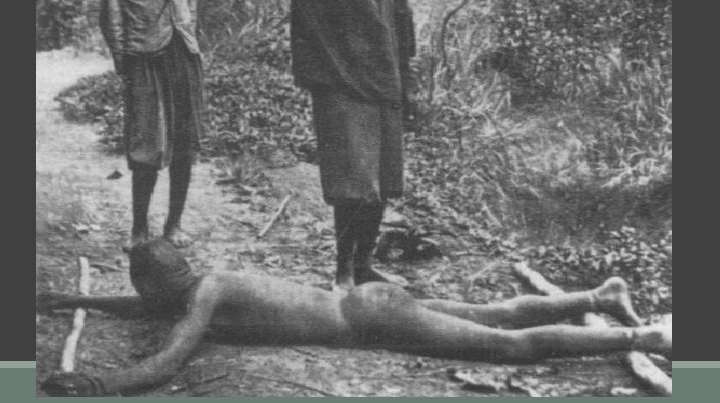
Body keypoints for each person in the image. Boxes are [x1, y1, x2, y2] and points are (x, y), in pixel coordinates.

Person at [38, 238, 671, 397]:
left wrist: (96, 384)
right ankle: (598, 296)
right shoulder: (201, 284)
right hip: (369, 301)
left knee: (510, 346)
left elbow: (171, 358)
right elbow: (148, 306)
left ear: (156, 279)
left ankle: (643, 335)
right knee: (495, 313)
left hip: (373, 320)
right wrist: (76, 302)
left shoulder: (202, 298)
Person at [256, 0, 418, 291]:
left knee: (381, 181)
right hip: (339, 79)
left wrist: (407, 82)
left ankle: (364, 264)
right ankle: (342, 270)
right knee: (351, 183)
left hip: (383, 81)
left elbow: (402, 21)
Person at [100, 0, 204, 250]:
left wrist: (190, 39)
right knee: (145, 147)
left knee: (184, 145)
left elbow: (191, 3)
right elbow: (111, 14)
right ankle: (139, 229)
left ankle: (173, 226)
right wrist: (122, 59)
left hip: (182, 56)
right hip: (142, 58)